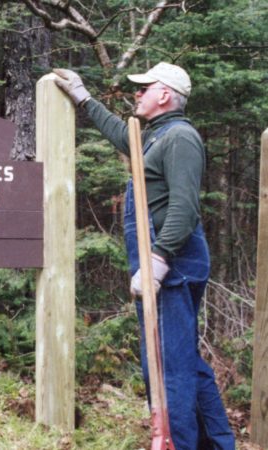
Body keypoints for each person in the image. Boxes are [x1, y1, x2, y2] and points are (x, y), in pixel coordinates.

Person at [53, 63, 235, 449]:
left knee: (170, 366)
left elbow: (184, 209)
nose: (136, 94)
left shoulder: (180, 138)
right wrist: (84, 99)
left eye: (143, 88)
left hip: (175, 261)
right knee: (180, 358)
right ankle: (216, 443)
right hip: (166, 260)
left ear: (165, 94)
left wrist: (159, 259)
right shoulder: (154, 136)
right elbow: (124, 137)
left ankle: (179, 443)